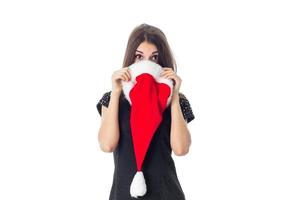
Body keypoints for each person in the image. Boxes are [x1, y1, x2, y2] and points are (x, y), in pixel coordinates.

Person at [96, 23, 195, 200]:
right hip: (124, 195)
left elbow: (181, 149)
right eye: (139, 57)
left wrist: (173, 96)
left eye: (154, 58)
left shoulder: (177, 100)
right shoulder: (112, 98)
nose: (147, 64)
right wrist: (116, 91)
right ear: (130, 59)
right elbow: (107, 145)